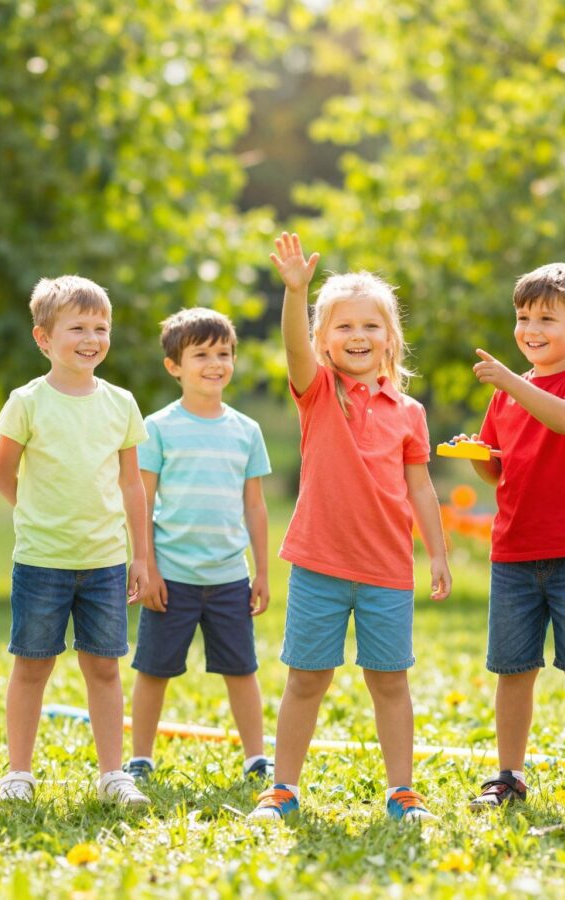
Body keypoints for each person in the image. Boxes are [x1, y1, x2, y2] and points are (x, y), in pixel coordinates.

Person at [248, 232, 451, 824]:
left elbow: (420, 487)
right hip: (319, 565)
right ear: (322, 340)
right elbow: (291, 349)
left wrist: (436, 554)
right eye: (343, 327)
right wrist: (295, 293)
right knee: (306, 681)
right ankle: (282, 787)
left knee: (390, 683)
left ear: (391, 339)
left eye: (371, 326)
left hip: (388, 569)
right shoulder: (318, 392)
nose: (357, 337)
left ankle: (401, 792)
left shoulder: (408, 411)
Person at [459, 262, 565, 815]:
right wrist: (479, 455)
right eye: (523, 316)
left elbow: (562, 421)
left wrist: (512, 381)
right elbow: (499, 468)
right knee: (513, 669)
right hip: (514, 552)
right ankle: (508, 774)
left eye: (546, 318)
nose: (531, 328)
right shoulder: (506, 394)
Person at [0, 275, 150, 806]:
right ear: (44, 339)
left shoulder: (122, 403)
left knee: (104, 666)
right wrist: (38, 514)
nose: (91, 337)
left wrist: (141, 555)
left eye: (100, 327)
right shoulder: (26, 401)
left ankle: (112, 775)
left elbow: (132, 483)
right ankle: (19, 773)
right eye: (77, 327)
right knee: (33, 664)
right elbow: (1, 473)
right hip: (41, 560)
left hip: (104, 560)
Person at [124, 307, 272, 783]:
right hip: (173, 577)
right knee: (153, 669)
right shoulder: (159, 427)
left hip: (230, 576)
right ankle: (140, 758)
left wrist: (263, 572)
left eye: (224, 353)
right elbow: (142, 501)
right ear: (174, 366)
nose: (215, 363)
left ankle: (256, 757)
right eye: (202, 354)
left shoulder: (246, 430)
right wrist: (145, 566)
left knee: (242, 669)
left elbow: (255, 507)